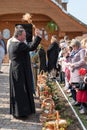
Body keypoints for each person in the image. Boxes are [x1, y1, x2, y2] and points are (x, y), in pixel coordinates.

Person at [8, 27, 42, 119]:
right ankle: (21, 113)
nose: (25, 37)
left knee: (21, 91)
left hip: (17, 70)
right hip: (19, 71)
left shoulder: (13, 43)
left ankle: (22, 111)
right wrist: (38, 36)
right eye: (24, 35)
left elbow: (28, 47)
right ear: (19, 36)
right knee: (21, 92)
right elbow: (31, 47)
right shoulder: (18, 45)